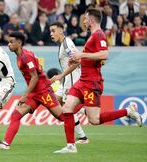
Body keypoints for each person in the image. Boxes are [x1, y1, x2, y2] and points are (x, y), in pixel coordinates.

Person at [54, 8, 142, 154]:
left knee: (94, 120)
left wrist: (82, 54)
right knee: (67, 109)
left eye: (86, 18)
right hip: (82, 81)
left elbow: (104, 54)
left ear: (92, 20)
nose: (84, 21)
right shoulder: (92, 36)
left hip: (91, 83)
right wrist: (78, 59)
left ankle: (128, 111)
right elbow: (95, 57)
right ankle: (71, 146)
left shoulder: (99, 35)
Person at [0, 31, 87, 150]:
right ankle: (5, 144)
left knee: (62, 117)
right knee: (16, 115)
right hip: (35, 93)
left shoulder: (26, 57)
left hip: (43, 91)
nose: (9, 44)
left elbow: (34, 77)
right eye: (8, 42)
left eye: (11, 42)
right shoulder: (21, 56)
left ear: (19, 43)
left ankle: (81, 109)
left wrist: (25, 95)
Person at [49, 21, 89, 144]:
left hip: (72, 79)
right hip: (66, 79)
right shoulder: (62, 44)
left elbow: (77, 61)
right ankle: (82, 132)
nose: (51, 34)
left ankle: (82, 136)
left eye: (53, 31)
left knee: (67, 109)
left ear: (61, 30)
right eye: (50, 31)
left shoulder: (67, 43)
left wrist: (61, 75)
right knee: (56, 102)